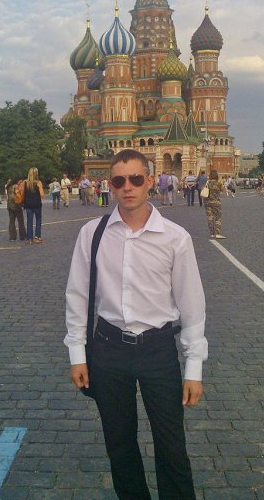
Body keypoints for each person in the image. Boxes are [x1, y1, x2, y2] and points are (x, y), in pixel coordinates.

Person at [65, 149, 207, 500]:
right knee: (119, 444)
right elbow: (77, 295)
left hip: (158, 350)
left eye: (135, 179)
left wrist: (194, 368)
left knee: (172, 445)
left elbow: (192, 304)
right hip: (108, 349)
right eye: (119, 180)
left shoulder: (174, 237)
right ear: (111, 186)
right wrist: (77, 354)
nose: (127, 187)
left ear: (150, 182)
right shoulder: (92, 233)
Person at [23, 167, 44, 244]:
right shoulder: (38, 182)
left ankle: (29, 238)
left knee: (29, 221)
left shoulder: (25, 182)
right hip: (37, 204)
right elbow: (42, 194)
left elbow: (23, 193)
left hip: (28, 204)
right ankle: (37, 237)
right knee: (38, 220)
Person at [204, 169, 225, 239]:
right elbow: (222, 190)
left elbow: (204, 190)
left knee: (210, 218)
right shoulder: (219, 183)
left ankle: (212, 233)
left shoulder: (207, 182)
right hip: (216, 203)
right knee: (218, 218)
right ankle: (218, 233)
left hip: (208, 203)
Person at [6, 176, 26, 242]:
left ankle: (12, 237)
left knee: (11, 221)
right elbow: (18, 196)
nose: (21, 183)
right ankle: (23, 236)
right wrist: (22, 203)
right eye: (20, 181)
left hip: (9, 206)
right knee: (21, 221)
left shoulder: (9, 187)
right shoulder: (16, 187)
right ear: (18, 180)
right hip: (16, 206)